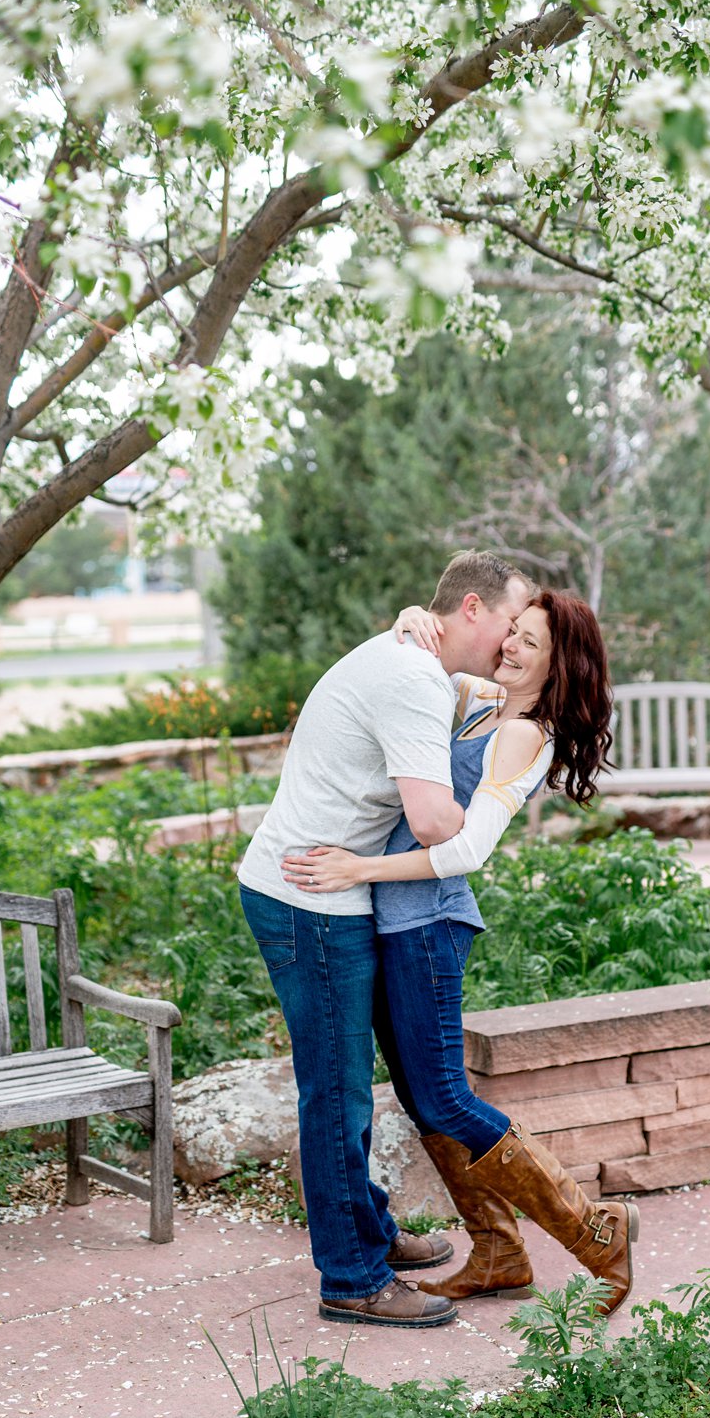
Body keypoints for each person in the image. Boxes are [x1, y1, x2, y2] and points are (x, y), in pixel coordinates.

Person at [281, 592, 639, 1315]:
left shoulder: (523, 735)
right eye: (513, 634)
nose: (509, 648)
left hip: (429, 926)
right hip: (394, 922)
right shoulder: (482, 702)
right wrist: (410, 618)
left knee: (444, 1094)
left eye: (529, 645)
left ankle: (596, 1232)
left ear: (558, 664)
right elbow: (415, 674)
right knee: (421, 1096)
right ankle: (499, 1253)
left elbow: (467, 848)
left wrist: (360, 870)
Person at [236, 550, 532, 1328]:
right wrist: (498, 806)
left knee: (346, 1085)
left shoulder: (414, 658)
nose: (509, 639)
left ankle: (367, 1231)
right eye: (506, 620)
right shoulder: (411, 678)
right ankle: (353, 1278)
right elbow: (437, 823)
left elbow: (488, 697)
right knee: (334, 1091)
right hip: (309, 898)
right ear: (471, 609)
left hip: (330, 889)